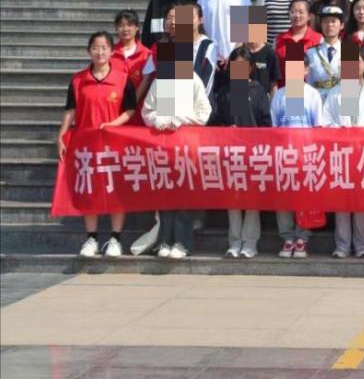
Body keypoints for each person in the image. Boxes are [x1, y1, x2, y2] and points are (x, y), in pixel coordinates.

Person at [58, 32, 137, 258]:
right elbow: (70, 110)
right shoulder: (78, 80)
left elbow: (130, 110)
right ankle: (91, 238)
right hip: (86, 143)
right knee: (89, 190)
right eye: (95, 47)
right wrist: (61, 135)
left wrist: (113, 124)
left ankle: (115, 239)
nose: (99, 52)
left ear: (112, 51)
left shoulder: (123, 78)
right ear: (88, 51)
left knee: (116, 190)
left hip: (114, 144)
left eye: (104, 47)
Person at [142, 40, 213, 260]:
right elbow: (147, 111)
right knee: (164, 196)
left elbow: (204, 113)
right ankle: (165, 240)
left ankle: (182, 243)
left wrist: (181, 119)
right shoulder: (161, 81)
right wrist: (158, 119)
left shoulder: (193, 80)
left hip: (187, 148)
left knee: (184, 197)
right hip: (163, 147)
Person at [323, 43, 364, 259]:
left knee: (361, 202)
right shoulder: (336, 92)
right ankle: (342, 246)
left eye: (357, 62)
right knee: (342, 202)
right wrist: (342, 132)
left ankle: (362, 246)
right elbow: (327, 121)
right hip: (341, 153)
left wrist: (359, 132)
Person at [210, 48, 271, 259]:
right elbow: (214, 122)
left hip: (253, 154)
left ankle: (250, 243)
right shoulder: (224, 92)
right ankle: (235, 242)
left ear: (250, 68)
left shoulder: (258, 90)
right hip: (230, 154)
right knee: (233, 200)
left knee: (252, 201)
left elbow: (266, 123)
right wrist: (225, 131)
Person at [270, 43, 323, 258]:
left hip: (306, 155)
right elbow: (274, 126)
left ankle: (302, 237)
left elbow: (318, 127)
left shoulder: (313, 95)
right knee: (284, 199)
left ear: (306, 70)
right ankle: (287, 237)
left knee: (304, 198)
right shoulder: (279, 95)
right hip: (283, 155)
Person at [141, 2, 218, 98]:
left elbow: (206, 82)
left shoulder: (207, 46)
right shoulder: (169, 44)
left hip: (197, 103)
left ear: (200, 20)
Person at [111, 9, 150, 123]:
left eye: (129, 25)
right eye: (121, 25)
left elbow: (147, 81)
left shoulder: (147, 54)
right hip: (114, 112)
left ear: (137, 27)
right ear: (116, 28)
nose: (125, 29)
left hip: (140, 114)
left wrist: (130, 104)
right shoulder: (109, 53)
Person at [274, 0, 323, 85]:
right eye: (293, 12)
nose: (297, 15)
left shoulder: (318, 39)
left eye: (301, 12)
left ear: (309, 16)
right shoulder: (279, 40)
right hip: (284, 89)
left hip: (310, 90)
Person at [305, 5, 344, 100]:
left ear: (342, 25)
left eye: (333, 21)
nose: (329, 25)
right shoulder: (310, 52)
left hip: (340, 103)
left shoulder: (350, 52)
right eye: (325, 21)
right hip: (316, 102)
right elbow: (299, 88)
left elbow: (351, 92)